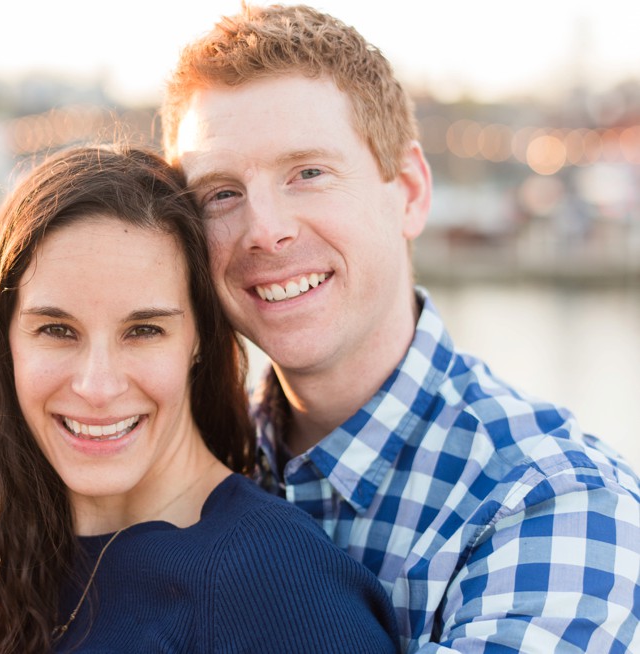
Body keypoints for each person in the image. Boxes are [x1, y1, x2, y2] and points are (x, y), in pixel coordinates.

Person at [160, 4, 640, 653]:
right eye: (220, 192)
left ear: (410, 191)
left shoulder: (562, 505)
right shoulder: (180, 464)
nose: (264, 229)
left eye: (308, 173)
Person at [0, 145, 399, 653]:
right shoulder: (8, 548)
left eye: (144, 330)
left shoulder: (277, 585)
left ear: (197, 340)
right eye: (57, 330)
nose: (97, 386)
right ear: (3, 342)